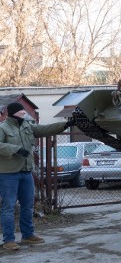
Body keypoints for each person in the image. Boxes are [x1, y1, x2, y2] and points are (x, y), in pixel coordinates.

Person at [0, 102, 72, 251]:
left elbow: (44, 129)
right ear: (14, 112)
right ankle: (8, 240)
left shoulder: (27, 126)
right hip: (8, 174)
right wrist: (16, 149)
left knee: (28, 205)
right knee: (9, 207)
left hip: (26, 172)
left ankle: (27, 235)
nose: (24, 113)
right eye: (21, 111)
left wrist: (66, 125)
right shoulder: (3, 128)